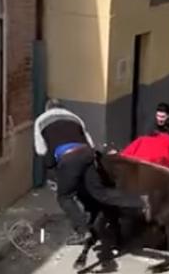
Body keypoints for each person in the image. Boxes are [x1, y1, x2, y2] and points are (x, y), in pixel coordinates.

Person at [34, 99, 148, 251]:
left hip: (68, 158)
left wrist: (53, 165)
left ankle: (83, 231)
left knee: (64, 196)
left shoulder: (41, 121)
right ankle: (140, 201)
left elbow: (42, 152)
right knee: (100, 193)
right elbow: (91, 144)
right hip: (87, 154)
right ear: (62, 108)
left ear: (47, 109)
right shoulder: (75, 117)